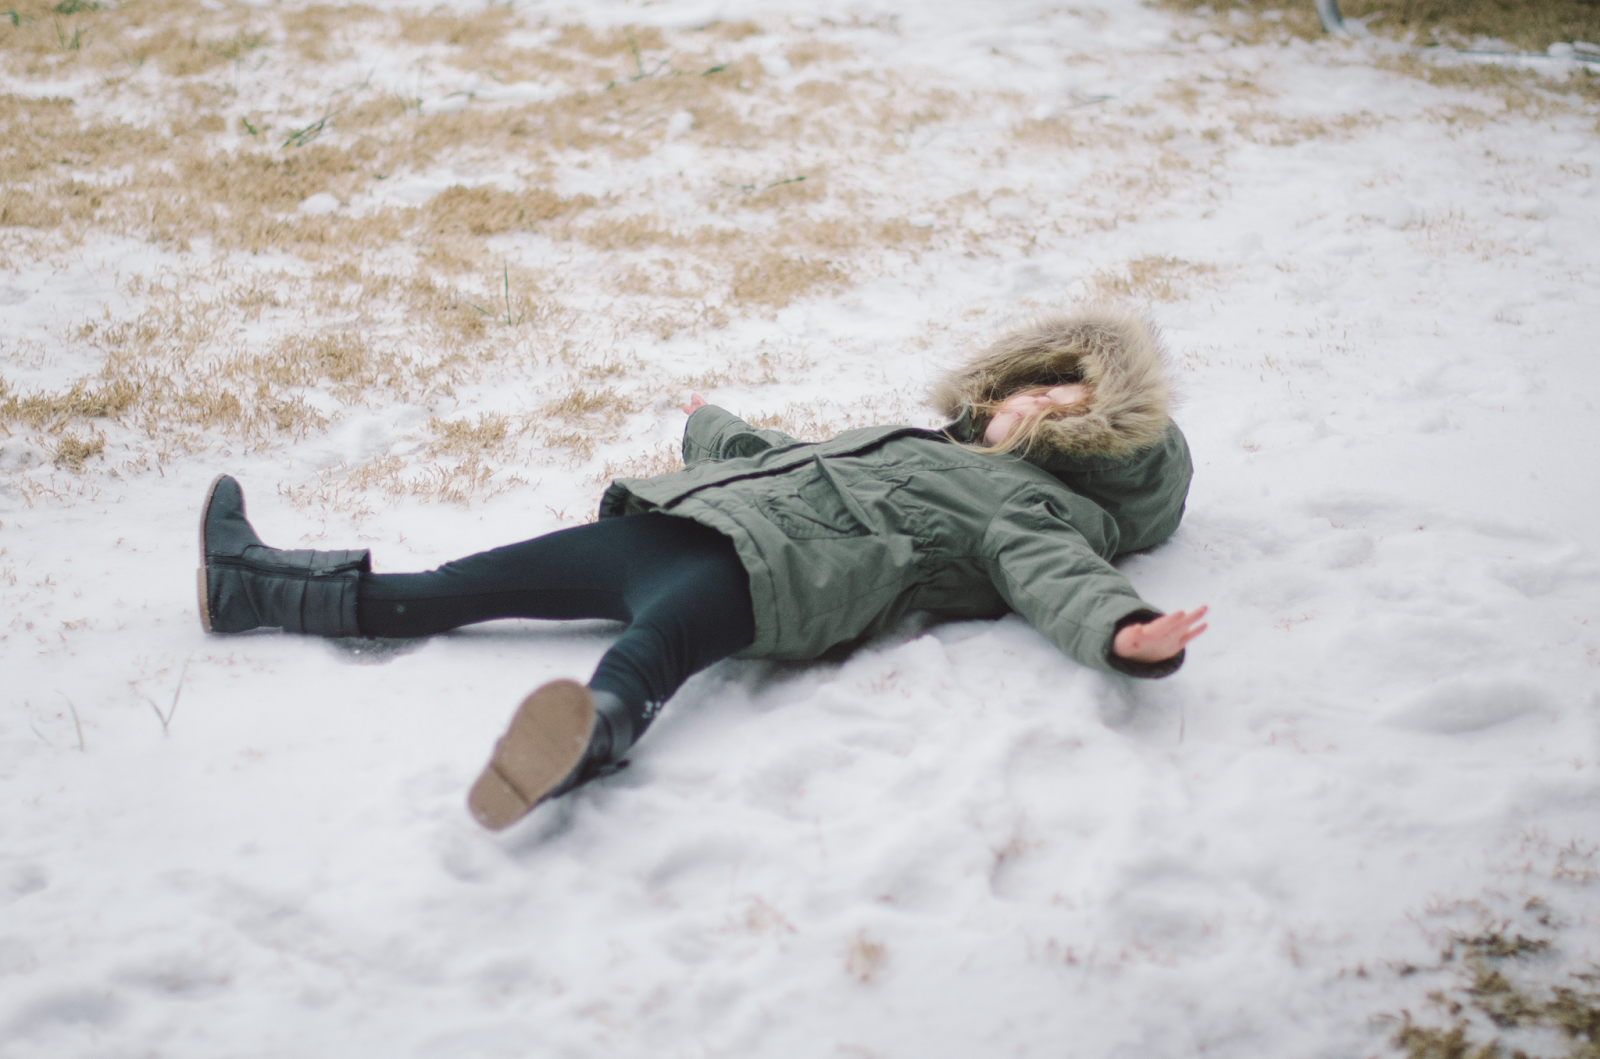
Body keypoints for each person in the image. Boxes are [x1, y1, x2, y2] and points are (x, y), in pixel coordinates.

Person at [196, 308, 1207, 831]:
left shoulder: (1028, 506)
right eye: (1034, 384)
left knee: (657, 645)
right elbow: (792, 457)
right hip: (695, 520)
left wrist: (1122, 631)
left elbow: (1055, 574)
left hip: (781, 572)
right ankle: (254, 585)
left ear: (1090, 449)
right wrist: (712, 426)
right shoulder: (927, 441)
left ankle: (590, 733)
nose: (1028, 400)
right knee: (461, 584)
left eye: (1058, 406)